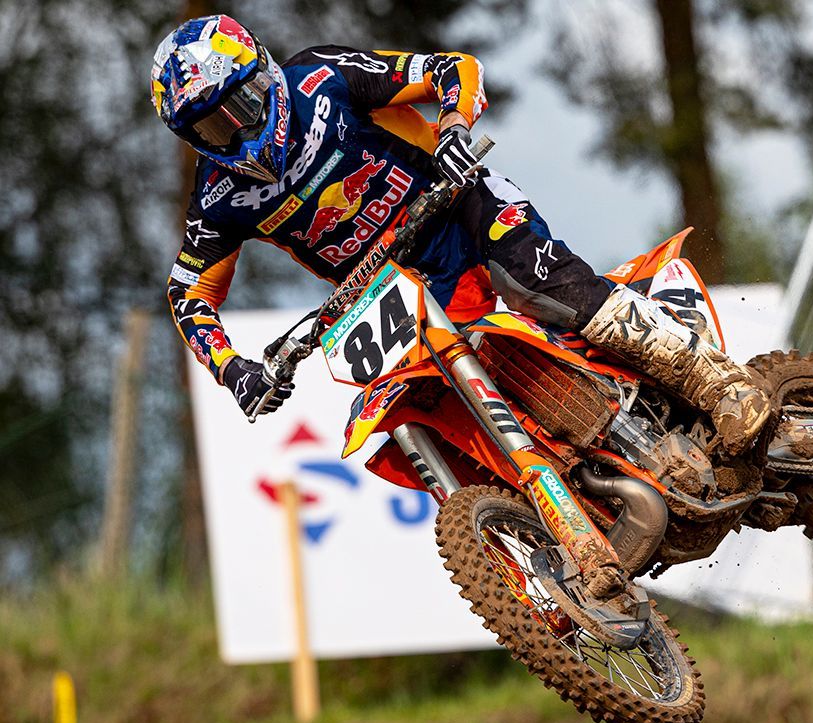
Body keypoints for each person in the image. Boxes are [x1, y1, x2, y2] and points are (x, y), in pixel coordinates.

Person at [151, 15, 769, 454]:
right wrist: (233, 370)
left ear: (262, 73)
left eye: (239, 107)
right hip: (396, 291)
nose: (234, 133)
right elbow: (186, 292)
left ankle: (719, 385)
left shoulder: (323, 77)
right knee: (431, 401)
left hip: (459, 208)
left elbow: (451, 69)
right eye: (210, 129)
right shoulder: (218, 197)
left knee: (539, 284)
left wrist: (452, 128)